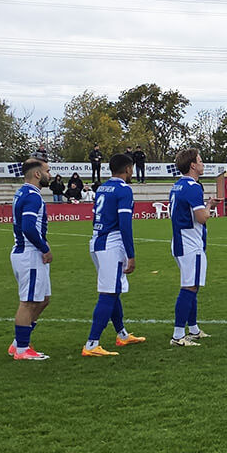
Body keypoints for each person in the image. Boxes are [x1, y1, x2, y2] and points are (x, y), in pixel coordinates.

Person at [82, 153, 142, 357]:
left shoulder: (102, 188)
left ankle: (122, 334)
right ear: (127, 169)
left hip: (97, 240)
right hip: (111, 243)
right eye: (131, 168)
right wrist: (131, 254)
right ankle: (91, 344)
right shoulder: (124, 190)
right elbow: (125, 223)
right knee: (108, 293)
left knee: (113, 290)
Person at [8, 157, 52, 361]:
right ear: (37, 174)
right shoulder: (32, 196)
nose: (49, 175)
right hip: (30, 254)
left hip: (25, 253)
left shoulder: (23, 193)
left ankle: (18, 343)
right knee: (27, 302)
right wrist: (44, 248)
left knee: (43, 299)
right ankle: (22, 349)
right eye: (47, 171)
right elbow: (28, 227)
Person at [168, 147, 212, 346]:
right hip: (190, 243)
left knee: (192, 286)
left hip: (180, 240)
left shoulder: (177, 186)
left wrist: (207, 203)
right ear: (193, 165)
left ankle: (193, 328)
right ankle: (178, 335)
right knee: (189, 287)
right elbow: (201, 218)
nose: (203, 164)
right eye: (200, 161)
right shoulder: (193, 187)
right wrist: (209, 208)